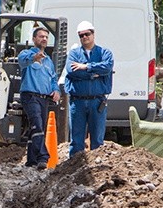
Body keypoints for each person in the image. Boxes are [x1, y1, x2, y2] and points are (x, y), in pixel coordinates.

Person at [64, 20, 114, 158]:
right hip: (77, 102)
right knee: (76, 139)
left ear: (93, 34)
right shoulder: (74, 54)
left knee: (97, 139)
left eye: (87, 34)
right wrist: (95, 74)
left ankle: (97, 166)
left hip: (97, 101)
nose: (84, 37)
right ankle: (75, 165)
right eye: (81, 35)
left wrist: (86, 67)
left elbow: (107, 67)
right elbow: (72, 71)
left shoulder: (104, 53)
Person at [18, 26, 61, 170]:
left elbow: (53, 79)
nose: (44, 39)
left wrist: (56, 90)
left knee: (38, 128)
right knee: (36, 123)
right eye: (41, 36)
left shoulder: (48, 61)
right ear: (34, 39)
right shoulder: (26, 53)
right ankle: (43, 157)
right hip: (30, 96)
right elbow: (23, 61)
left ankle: (31, 161)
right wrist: (33, 58)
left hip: (44, 99)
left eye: (46, 37)